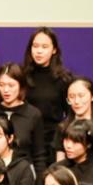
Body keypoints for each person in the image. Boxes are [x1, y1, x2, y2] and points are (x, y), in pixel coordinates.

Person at [0, 62, 48, 174]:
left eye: (11, 85)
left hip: (24, 175)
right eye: (1, 85)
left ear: (21, 85)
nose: (6, 90)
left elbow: (39, 156)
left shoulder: (33, 115)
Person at [22, 27, 72, 161]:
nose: (39, 51)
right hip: (26, 141)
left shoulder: (64, 79)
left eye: (44, 47)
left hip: (52, 143)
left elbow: (70, 115)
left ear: (54, 49)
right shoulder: (22, 76)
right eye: (35, 46)